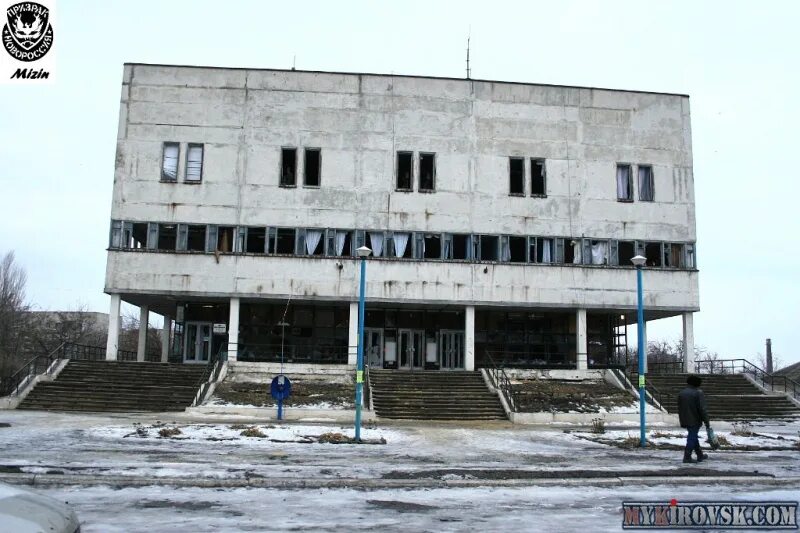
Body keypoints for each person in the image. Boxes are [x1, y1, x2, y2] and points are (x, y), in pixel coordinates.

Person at [677, 374, 710, 463]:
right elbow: (702, 409)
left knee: (693, 436)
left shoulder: (682, 393)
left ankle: (700, 455)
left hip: (684, 418)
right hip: (695, 419)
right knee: (692, 437)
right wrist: (706, 421)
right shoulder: (698, 393)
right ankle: (687, 457)